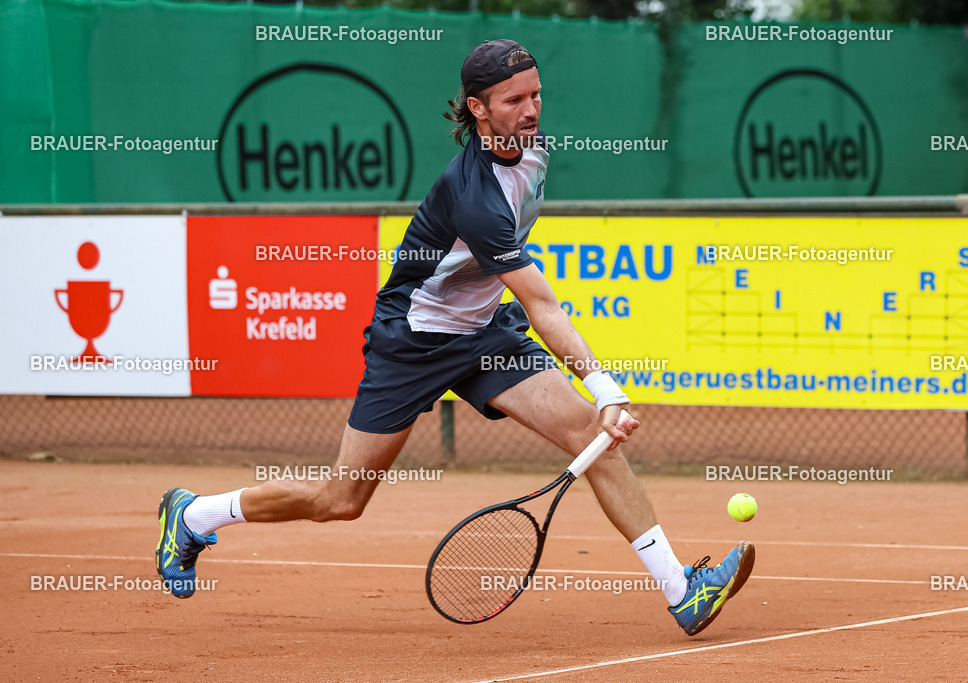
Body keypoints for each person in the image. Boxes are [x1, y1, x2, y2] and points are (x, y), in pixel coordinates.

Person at [156, 39, 754, 635]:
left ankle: (681, 591)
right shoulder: (476, 196)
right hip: (413, 341)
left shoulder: (534, 150)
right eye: (513, 99)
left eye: (536, 95)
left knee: (589, 438)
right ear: (477, 108)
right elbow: (541, 303)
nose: (531, 110)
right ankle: (199, 514)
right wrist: (603, 385)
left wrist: (593, 401)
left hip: (483, 335)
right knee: (341, 500)